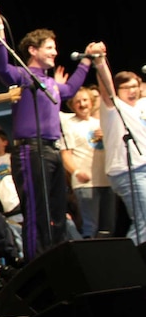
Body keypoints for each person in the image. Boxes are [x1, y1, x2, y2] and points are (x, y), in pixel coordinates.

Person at [0, 10, 102, 260]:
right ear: (32, 50)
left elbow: (70, 89)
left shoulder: (49, 84)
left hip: (52, 150)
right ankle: (35, 264)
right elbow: (2, 68)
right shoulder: (24, 77)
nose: (54, 52)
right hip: (30, 150)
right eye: (49, 47)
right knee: (36, 211)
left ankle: (58, 258)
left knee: (58, 210)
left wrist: (86, 61)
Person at [94, 56, 146, 245]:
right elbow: (106, 90)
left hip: (141, 169)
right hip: (128, 171)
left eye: (135, 86)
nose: (132, 91)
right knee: (144, 223)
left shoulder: (138, 108)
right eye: (127, 88)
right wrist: (100, 62)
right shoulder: (114, 108)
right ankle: (127, 267)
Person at [60, 86, 115, 237]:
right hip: (85, 184)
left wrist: (107, 136)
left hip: (106, 181)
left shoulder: (100, 123)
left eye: (85, 100)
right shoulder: (69, 124)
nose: (82, 104)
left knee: (107, 229)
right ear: (72, 105)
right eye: (78, 101)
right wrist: (76, 172)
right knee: (90, 228)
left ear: (91, 102)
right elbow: (65, 154)